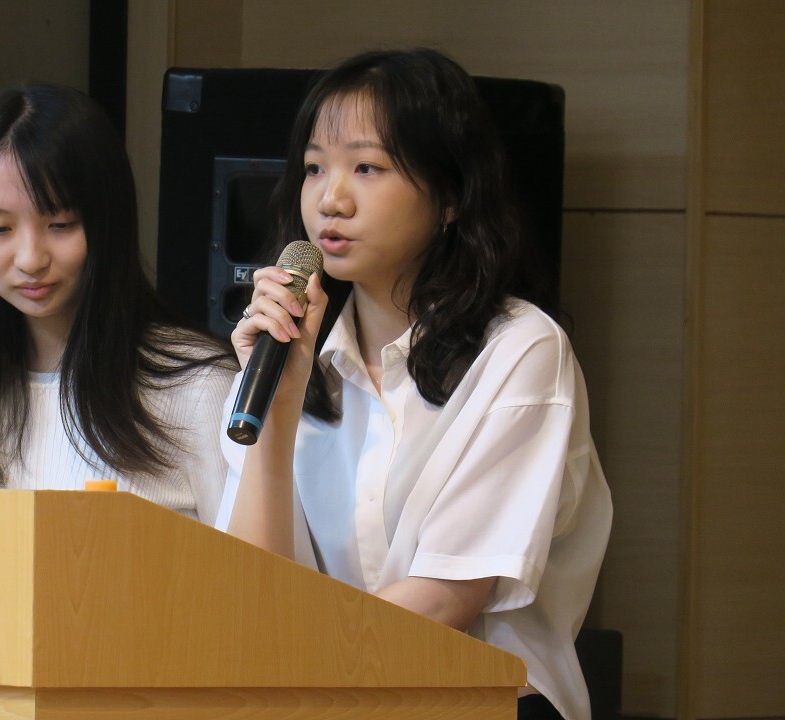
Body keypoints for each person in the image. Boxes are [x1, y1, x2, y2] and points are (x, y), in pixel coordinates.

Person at [217, 49, 612, 720]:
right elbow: (257, 596)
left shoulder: (520, 350)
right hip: (323, 694)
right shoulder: (286, 354)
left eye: (367, 168)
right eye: (314, 168)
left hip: (481, 700)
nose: (331, 199)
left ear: (450, 197)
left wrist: (296, 680)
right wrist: (278, 413)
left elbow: (445, 598)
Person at [0, 83, 236, 525]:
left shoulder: (199, 385)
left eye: (60, 224)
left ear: (107, 221)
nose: (31, 259)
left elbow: (247, 564)